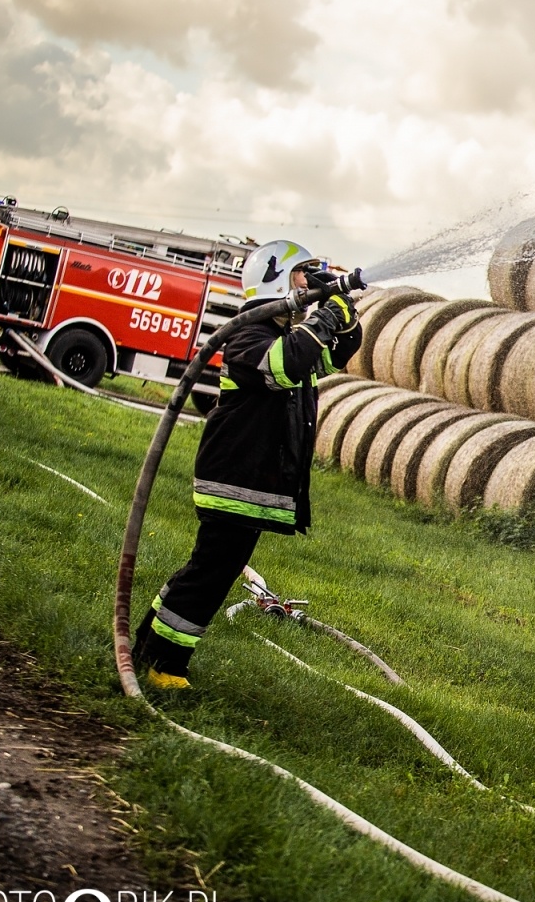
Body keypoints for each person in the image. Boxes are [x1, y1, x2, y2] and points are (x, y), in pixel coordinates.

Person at [132, 240, 362, 688]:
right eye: (303, 275)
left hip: (253, 483)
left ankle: (147, 644)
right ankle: (164, 665)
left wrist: (345, 317)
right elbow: (286, 366)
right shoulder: (249, 336)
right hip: (234, 479)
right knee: (210, 575)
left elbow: (330, 356)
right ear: (277, 280)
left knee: (206, 570)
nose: (309, 284)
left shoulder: (282, 338)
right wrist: (326, 313)